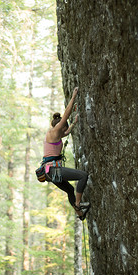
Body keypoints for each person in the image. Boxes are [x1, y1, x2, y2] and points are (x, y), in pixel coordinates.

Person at [42, 87, 90, 220]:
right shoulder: (54, 131)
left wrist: (73, 124)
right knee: (83, 176)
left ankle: (80, 214)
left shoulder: (54, 135)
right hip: (53, 170)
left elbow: (66, 132)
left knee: (70, 190)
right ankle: (78, 204)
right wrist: (73, 97)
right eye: (64, 127)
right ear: (60, 126)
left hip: (50, 172)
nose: (64, 130)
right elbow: (66, 114)